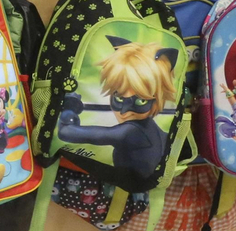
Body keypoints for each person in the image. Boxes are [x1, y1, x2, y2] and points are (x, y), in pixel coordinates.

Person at [57, 36, 178, 178]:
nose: (124, 111)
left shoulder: (130, 132)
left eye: (140, 102)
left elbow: (65, 132)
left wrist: (70, 108)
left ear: (157, 101)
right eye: (119, 98)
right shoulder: (152, 129)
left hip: (124, 184)